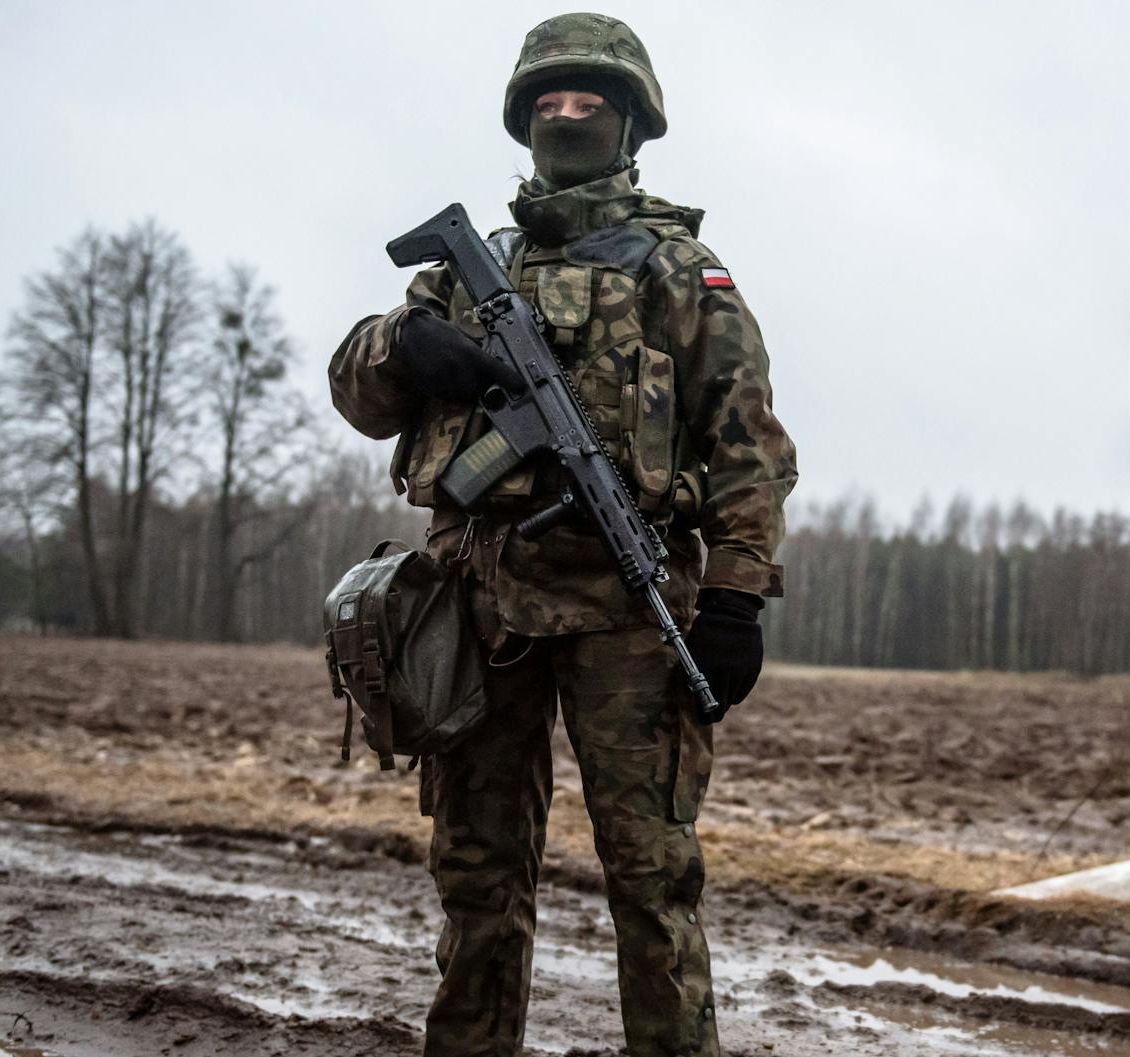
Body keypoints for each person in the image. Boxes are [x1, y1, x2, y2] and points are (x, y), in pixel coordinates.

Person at [328, 13, 796, 1057]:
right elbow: (355, 388)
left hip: (625, 613)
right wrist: (406, 344)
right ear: (521, 119)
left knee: (652, 875)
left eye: (590, 102)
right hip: (473, 603)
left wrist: (733, 595)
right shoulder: (465, 268)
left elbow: (748, 448)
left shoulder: (680, 271)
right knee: (476, 873)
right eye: (550, 102)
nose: (569, 116)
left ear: (631, 121)